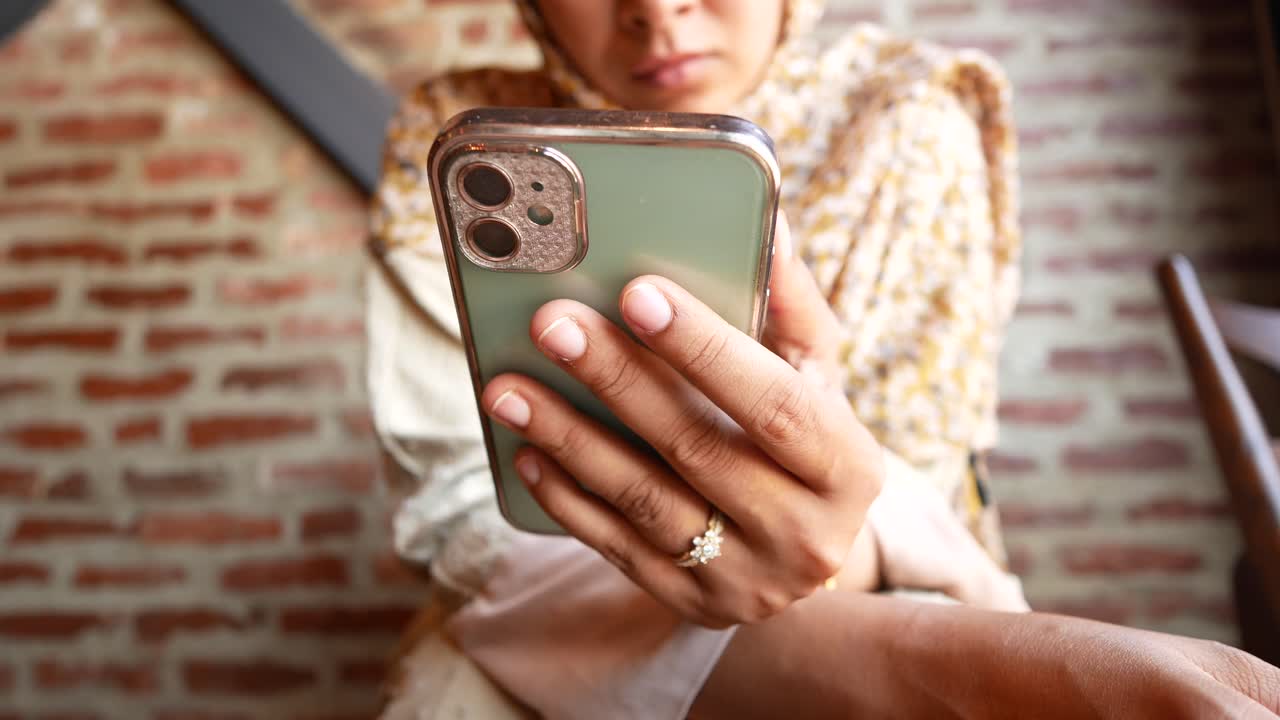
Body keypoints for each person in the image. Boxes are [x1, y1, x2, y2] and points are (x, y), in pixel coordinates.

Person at [366, 1, 1280, 718]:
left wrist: (849, 541)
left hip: (888, 581)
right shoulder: (464, 136)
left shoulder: (906, 118)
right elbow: (457, 508)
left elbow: (922, 470)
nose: (656, 9)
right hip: (545, 583)